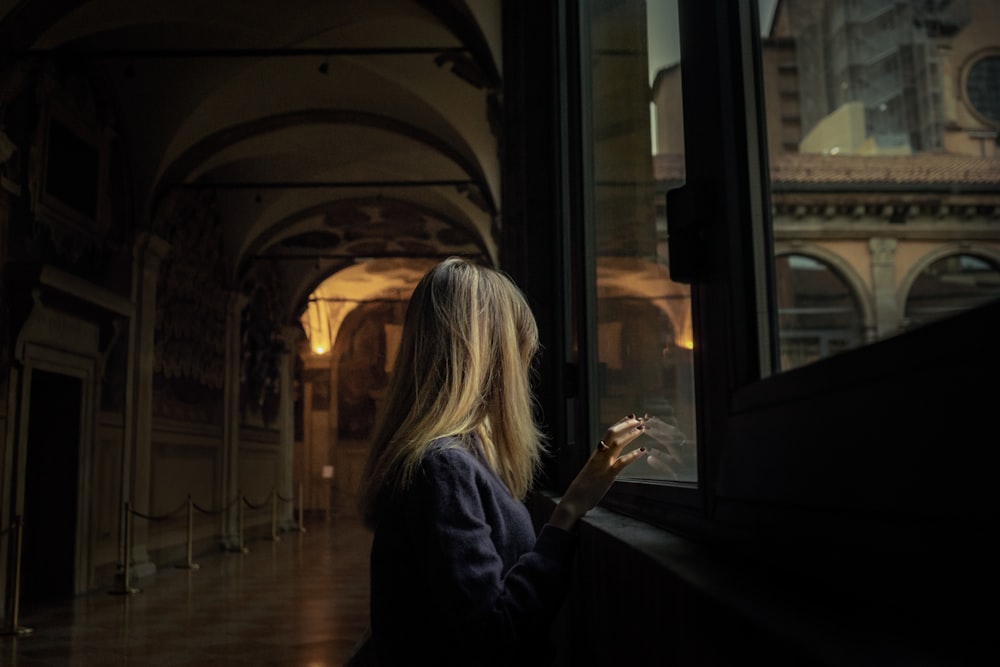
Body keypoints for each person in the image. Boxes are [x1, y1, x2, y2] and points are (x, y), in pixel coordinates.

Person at [356, 257, 648, 666]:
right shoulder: (444, 467)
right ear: (491, 357)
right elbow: (493, 634)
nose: (525, 369)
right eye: (520, 352)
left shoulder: (451, 459)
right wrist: (568, 511)